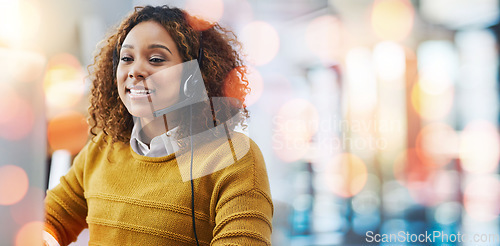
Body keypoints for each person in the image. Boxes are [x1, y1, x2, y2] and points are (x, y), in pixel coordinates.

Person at [43, 5, 273, 246]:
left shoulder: (234, 156)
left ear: (194, 77)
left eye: (155, 59)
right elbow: (52, 220)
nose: (135, 71)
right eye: (127, 58)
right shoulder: (102, 147)